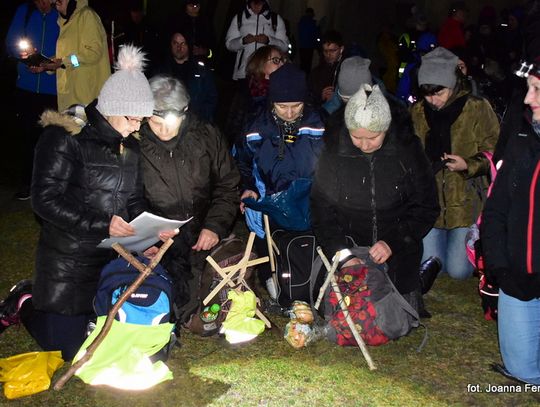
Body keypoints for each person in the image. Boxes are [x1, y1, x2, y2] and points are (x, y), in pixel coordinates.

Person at [0, 45, 155, 361]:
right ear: (110, 107)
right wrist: (102, 223)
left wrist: (150, 235)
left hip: (110, 258)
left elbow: (135, 200)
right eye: (132, 118)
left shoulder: (131, 147)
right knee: (69, 350)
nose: (137, 127)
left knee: (108, 341)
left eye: (142, 120)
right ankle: (24, 299)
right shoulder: (64, 137)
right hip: (67, 259)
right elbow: (45, 200)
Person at [311, 83, 439, 312]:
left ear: (387, 129)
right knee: (348, 314)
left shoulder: (407, 149)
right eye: (356, 137)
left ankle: (417, 278)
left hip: (398, 249)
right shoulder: (333, 152)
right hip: (350, 246)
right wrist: (343, 255)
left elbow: (426, 206)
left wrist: (393, 242)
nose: (364, 144)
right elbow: (321, 212)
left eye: (373, 137)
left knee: (392, 315)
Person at [138, 75, 240, 325]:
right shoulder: (134, 142)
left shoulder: (206, 135)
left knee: (206, 302)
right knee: (164, 304)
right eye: (154, 121)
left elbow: (228, 184)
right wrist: (144, 239)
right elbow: (127, 197)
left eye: (170, 122)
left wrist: (214, 226)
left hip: (200, 235)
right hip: (160, 240)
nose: (162, 130)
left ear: (184, 112)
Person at [235, 63, 324, 297]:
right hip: (272, 198)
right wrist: (249, 187)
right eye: (283, 106)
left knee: (306, 243)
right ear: (272, 102)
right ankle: (273, 280)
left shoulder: (319, 124)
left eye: (296, 106)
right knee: (266, 230)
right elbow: (243, 162)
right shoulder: (256, 127)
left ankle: (309, 283)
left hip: (309, 198)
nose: (290, 113)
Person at [410, 47, 499, 280]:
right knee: (433, 268)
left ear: (453, 83)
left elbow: (495, 150)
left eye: (440, 92)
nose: (434, 100)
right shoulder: (417, 112)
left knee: (458, 272)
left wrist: (468, 164)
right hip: (430, 201)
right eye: (428, 94)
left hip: (465, 201)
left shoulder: (477, 108)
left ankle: (463, 241)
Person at [481, 56, 540, 385]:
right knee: (524, 372)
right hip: (517, 279)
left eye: (536, 89)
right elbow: (494, 211)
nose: (528, 98)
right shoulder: (522, 145)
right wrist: (500, 269)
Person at [5, 0, 59, 200]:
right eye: (38, 0)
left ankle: (50, 186)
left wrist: (50, 65)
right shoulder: (25, 11)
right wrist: (21, 53)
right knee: (28, 138)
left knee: (52, 140)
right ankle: (27, 183)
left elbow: (71, 53)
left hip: (52, 89)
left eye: (46, 0)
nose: (42, 4)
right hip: (26, 86)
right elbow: (11, 42)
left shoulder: (62, 13)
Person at [40, 0, 111, 111]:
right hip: (70, 96)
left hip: (87, 98)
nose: (55, 2)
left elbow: (93, 53)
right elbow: (67, 56)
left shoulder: (86, 15)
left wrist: (63, 62)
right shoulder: (64, 21)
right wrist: (46, 65)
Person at [225, 45, 286, 147]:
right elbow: (233, 128)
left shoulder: (288, 92)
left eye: (283, 61)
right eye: (276, 60)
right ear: (261, 63)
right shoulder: (245, 91)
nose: (282, 64)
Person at [152, 31, 218, 123]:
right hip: (166, 122)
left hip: (193, 124)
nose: (179, 47)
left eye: (183, 43)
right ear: (170, 44)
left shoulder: (202, 71)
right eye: (175, 43)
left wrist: (198, 119)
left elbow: (211, 98)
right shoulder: (160, 71)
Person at [225, 0, 289, 81]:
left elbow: (284, 47)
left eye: (259, 4)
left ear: (265, 3)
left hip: (268, 73)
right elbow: (229, 44)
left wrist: (269, 40)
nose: (255, 7)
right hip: (244, 73)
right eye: (253, 3)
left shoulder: (276, 19)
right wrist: (243, 41)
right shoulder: (239, 17)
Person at [307, 30, 344, 107]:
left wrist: (337, 97)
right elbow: (308, 97)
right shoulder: (316, 72)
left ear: (341, 49)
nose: (328, 54)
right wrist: (320, 96)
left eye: (333, 50)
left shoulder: (347, 70)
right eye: (325, 51)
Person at [297, 7, 319, 73]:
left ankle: (302, 77)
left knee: (303, 63)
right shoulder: (312, 23)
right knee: (308, 64)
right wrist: (317, 45)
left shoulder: (301, 22)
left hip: (302, 46)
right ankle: (306, 78)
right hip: (309, 46)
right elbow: (314, 35)